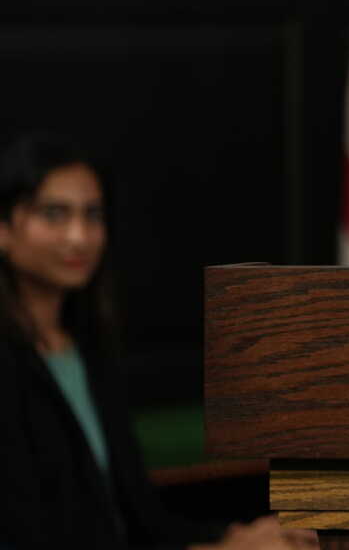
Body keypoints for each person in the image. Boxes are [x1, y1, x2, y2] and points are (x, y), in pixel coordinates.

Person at [0, 133, 314, 549]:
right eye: (54, 214)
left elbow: (140, 521)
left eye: (93, 215)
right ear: (3, 228)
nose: (79, 236)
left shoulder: (88, 349)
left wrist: (238, 535)